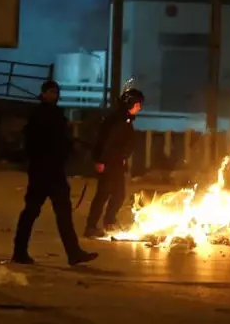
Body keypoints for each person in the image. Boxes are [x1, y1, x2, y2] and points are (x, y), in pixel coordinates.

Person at [12, 81, 98, 265]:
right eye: (50, 92)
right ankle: (19, 251)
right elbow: (38, 143)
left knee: (63, 214)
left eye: (55, 92)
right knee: (31, 211)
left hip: (53, 172)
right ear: (43, 93)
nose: (53, 95)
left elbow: (61, 140)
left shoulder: (56, 114)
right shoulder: (38, 115)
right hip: (41, 173)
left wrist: (73, 147)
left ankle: (73, 253)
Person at [84, 87, 144, 238]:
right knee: (103, 194)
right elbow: (106, 142)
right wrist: (100, 160)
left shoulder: (124, 119)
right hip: (109, 163)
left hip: (116, 163)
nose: (139, 108)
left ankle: (109, 222)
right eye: (137, 104)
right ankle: (91, 226)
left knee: (118, 194)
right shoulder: (117, 120)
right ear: (130, 103)